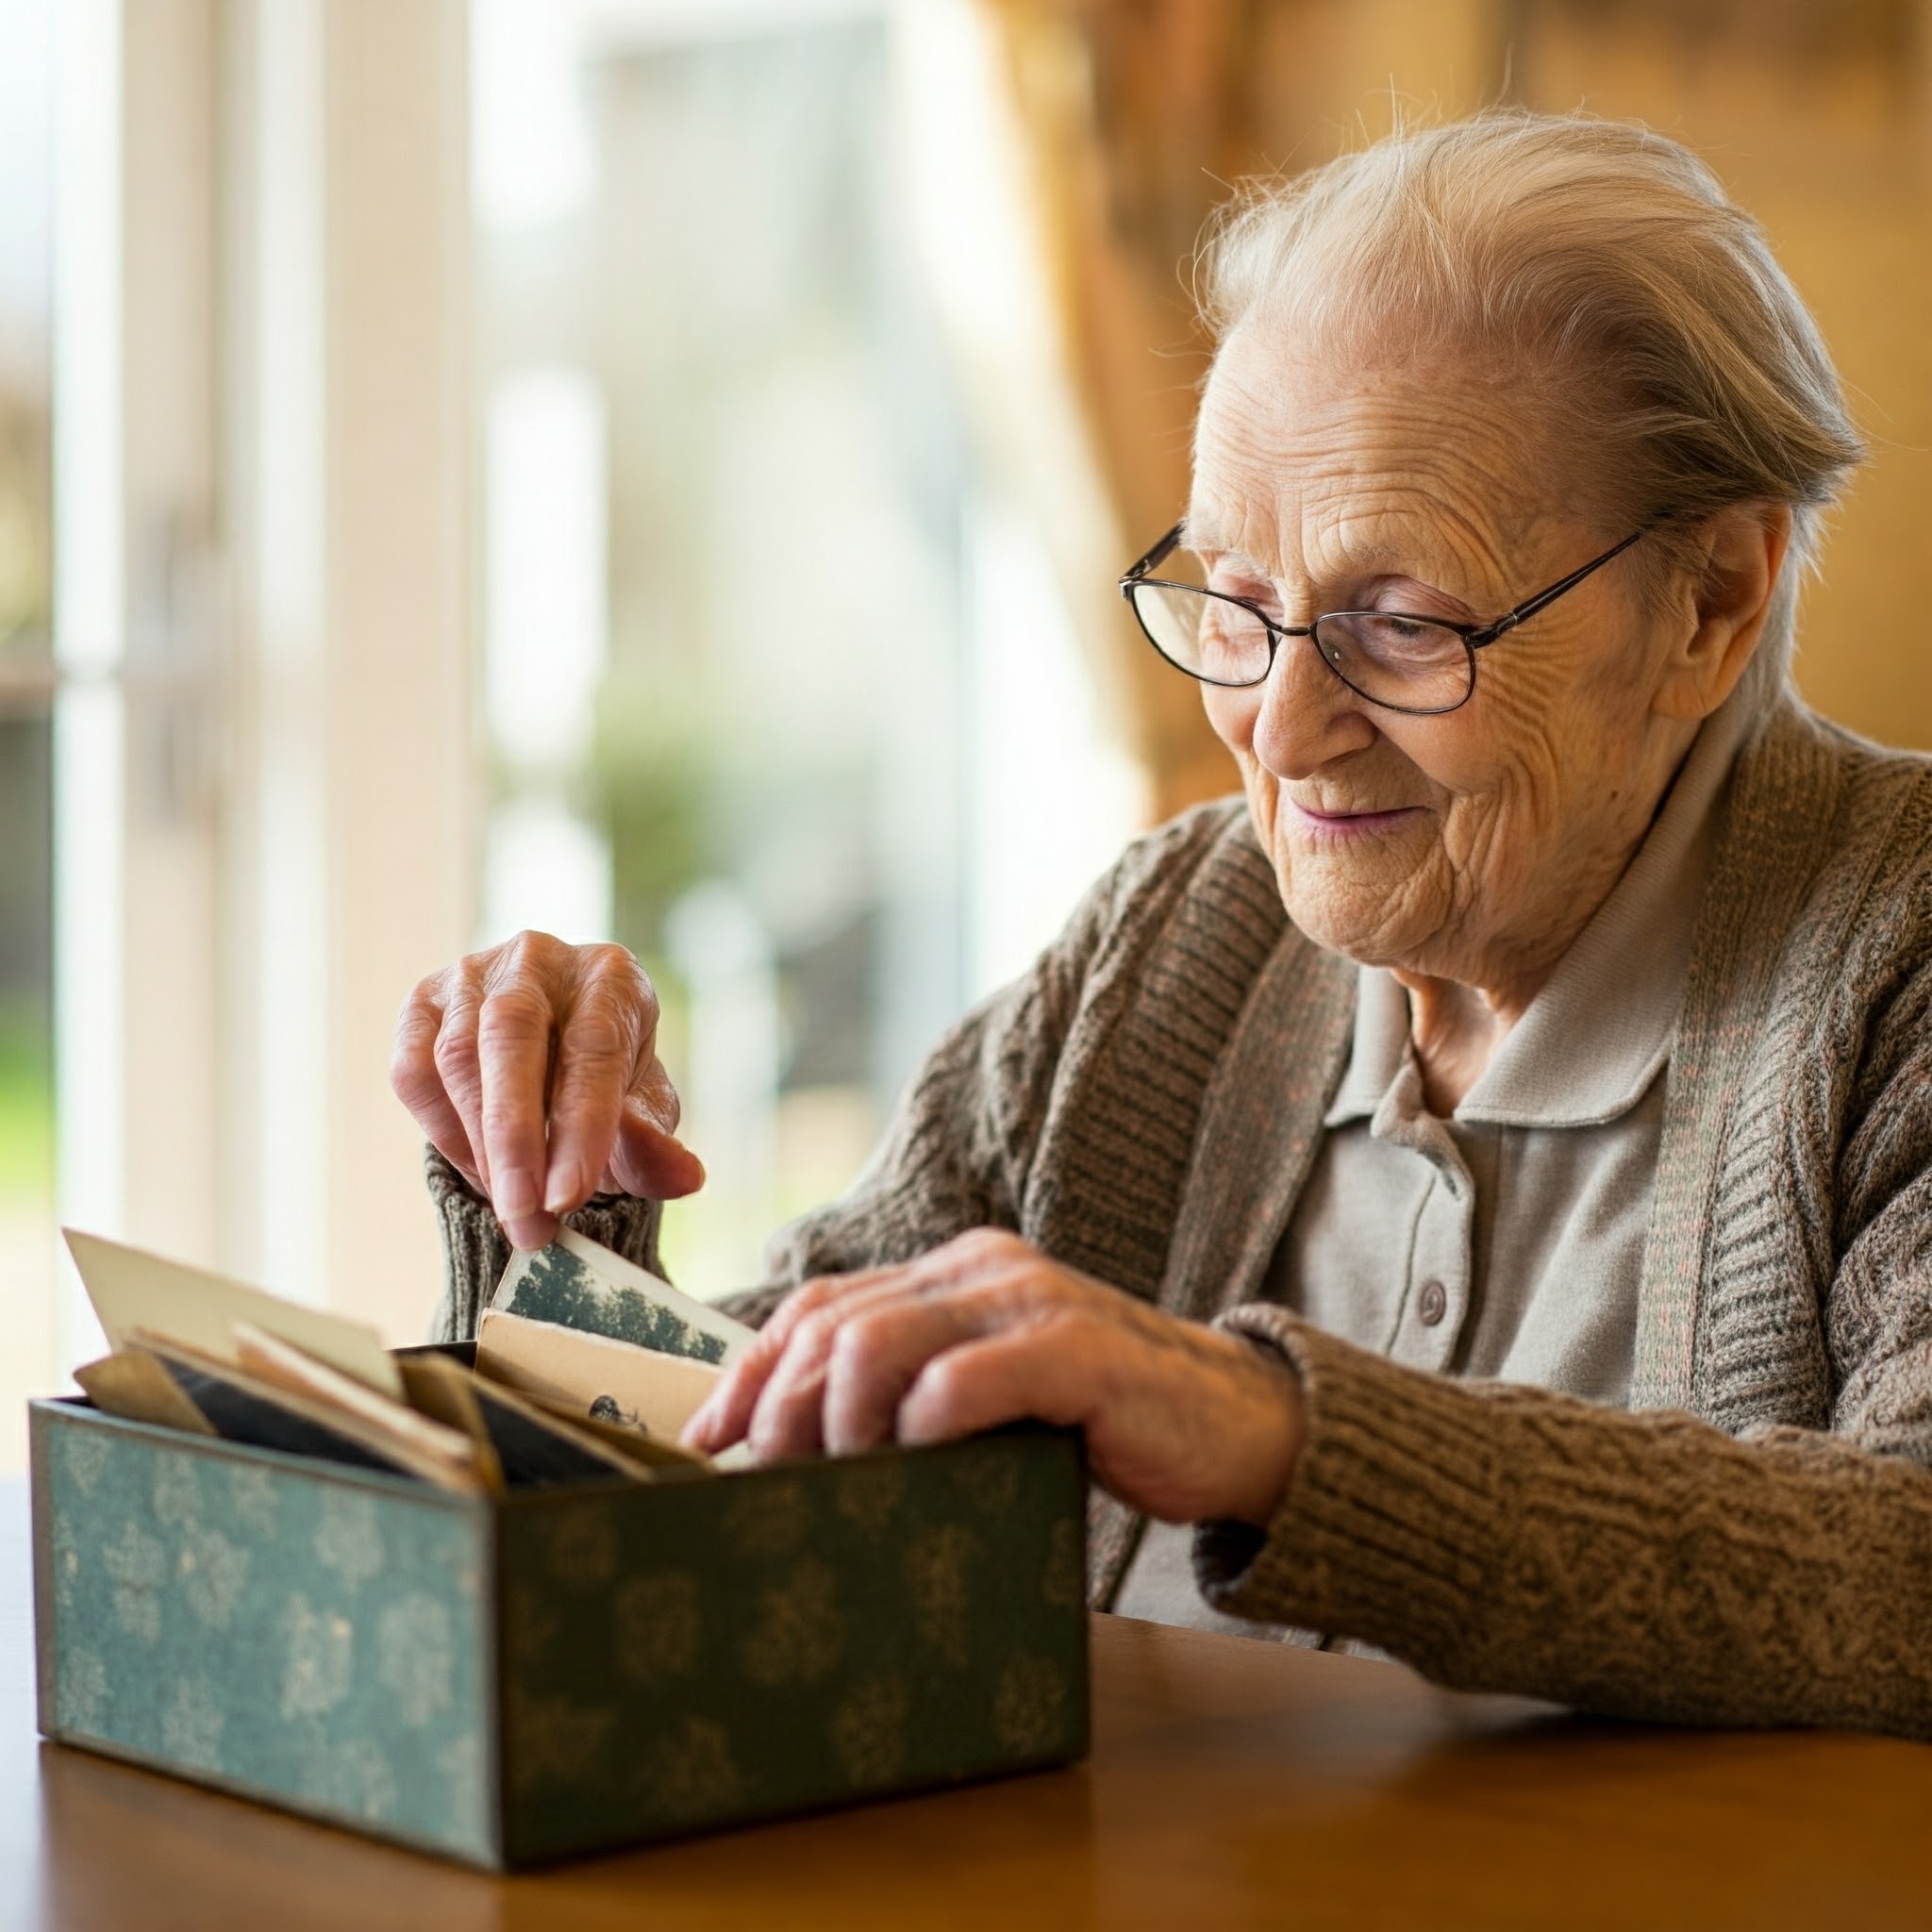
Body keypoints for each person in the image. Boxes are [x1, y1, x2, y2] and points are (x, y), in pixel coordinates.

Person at [391, 111, 1932, 1737]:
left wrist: (1270, 1429)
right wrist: (556, 1214)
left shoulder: (1894, 950)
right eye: (1236, 605)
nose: (1276, 726)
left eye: (1403, 625)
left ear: (1708, 601)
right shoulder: (1181, 937)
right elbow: (785, 1438)